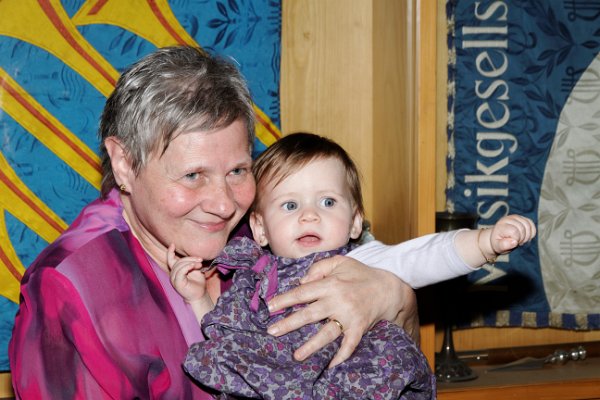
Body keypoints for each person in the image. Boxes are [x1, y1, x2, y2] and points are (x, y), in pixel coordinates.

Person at [8, 46, 424, 399]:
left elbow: (399, 372)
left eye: (238, 171)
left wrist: (395, 297)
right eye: (193, 175)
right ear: (125, 163)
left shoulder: (270, 229)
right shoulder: (71, 290)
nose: (225, 205)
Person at [169, 132, 537, 399]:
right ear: (261, 228)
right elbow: (227, 336)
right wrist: (199, 299)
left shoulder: (361, 262)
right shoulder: (253, 277)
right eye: (290, 205)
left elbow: (425, 255)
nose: (310, 215)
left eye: (328, 202)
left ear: (356, 221)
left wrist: (485, 242)